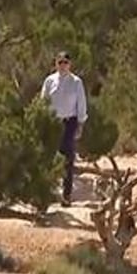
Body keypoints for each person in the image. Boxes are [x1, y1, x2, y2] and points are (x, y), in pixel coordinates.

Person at [41, 51, 88, 207]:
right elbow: (43, 101)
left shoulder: (76, 82)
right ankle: (44, 194)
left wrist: (80, 125)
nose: (62, 65)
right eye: (59, 62)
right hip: (52, 122)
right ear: (55, 63)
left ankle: (66, 195)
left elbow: (81, 104)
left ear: (70, 64)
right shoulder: (49, 81)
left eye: (65, 62)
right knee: (48, 157)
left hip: (69, 123)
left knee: (68, 159)